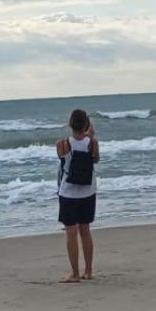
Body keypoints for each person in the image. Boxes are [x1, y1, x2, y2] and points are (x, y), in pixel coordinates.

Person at [56, 109, 99, 283]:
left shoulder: (63, 144)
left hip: (68, 193)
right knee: (85, 231)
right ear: (86, 124)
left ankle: (75, 273)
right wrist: (90, 132)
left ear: (70, 124)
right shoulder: (92, 144)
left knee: (71, 234)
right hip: (88, 191)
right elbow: (95, 160)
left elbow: (61, 158)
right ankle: (88, 270)